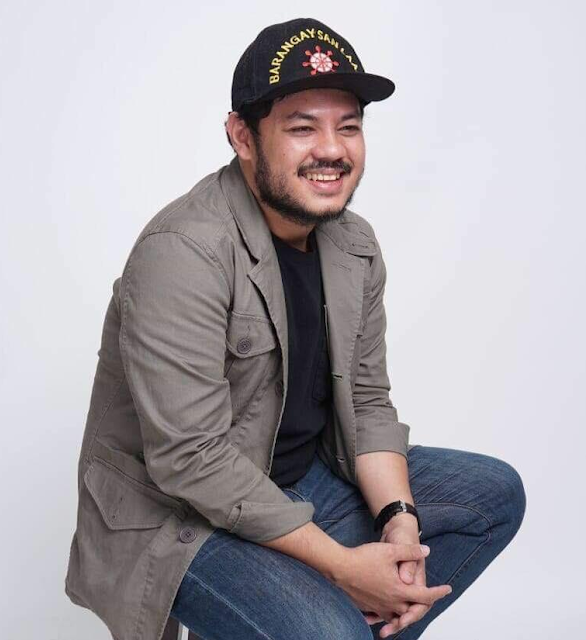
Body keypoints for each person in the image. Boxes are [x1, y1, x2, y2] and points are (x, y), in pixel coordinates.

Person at [64, 17, 526, 640]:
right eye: (302, 128)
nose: (332, 150)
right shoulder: (184, 252)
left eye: (349, 127)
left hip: (299, 480)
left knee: (492, 492)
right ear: (243, 136)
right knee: (332, 631)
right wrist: (341, 568)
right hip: (182, 517)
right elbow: (190, 460)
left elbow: (367, 402)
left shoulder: (354, 244)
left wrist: (399, 522)